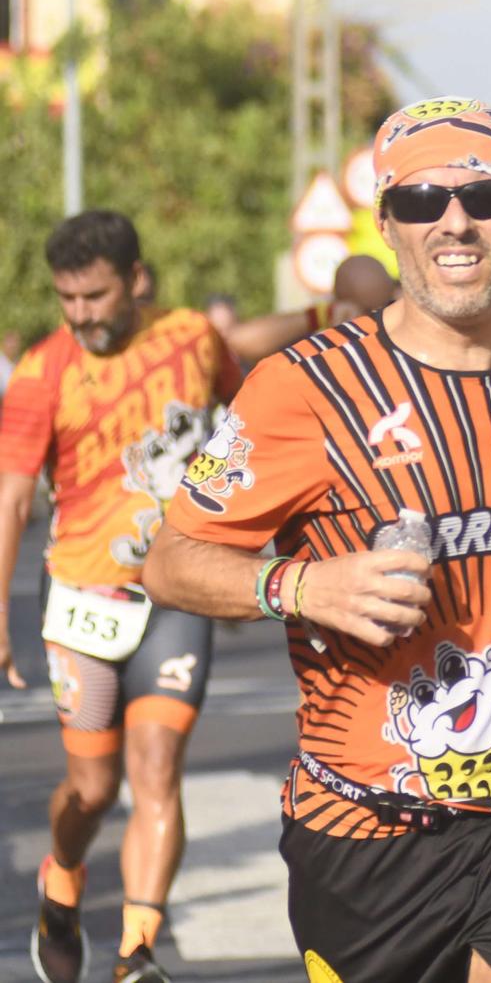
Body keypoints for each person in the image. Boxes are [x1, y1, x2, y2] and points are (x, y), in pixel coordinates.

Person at [141, 98, 491, 983]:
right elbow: (172, 559)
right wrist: (305, 587)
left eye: (485, 198)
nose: (456, 221)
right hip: (369, 828)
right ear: (389, 225)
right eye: (424, 201)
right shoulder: (304, 387)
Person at [0, 210, 242, 983]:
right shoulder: (42, 370)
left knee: (156, 765)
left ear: (135, 280)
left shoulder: (195, 340)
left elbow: (248, 423)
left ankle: (137, 952)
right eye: (68, 299)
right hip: (81, 598)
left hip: (176, 592)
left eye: (96, 296)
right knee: (93, 787)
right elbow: (9, 499)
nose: (82, 315)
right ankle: (62, 878)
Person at [224, 255, 399, 367]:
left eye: (379, 309)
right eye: (365, 311)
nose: (370, 319)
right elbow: (237, 343)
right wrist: (319, 316)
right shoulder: (319, 333)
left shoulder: (400, 325)